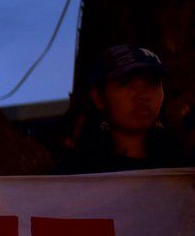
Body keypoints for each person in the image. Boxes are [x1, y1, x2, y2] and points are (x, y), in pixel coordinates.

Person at [54, 45, 190, 174]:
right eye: (125, 83)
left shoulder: (183, 166)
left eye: (152, 82)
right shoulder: (75, 173)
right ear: (98, 97)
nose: (142, 95)